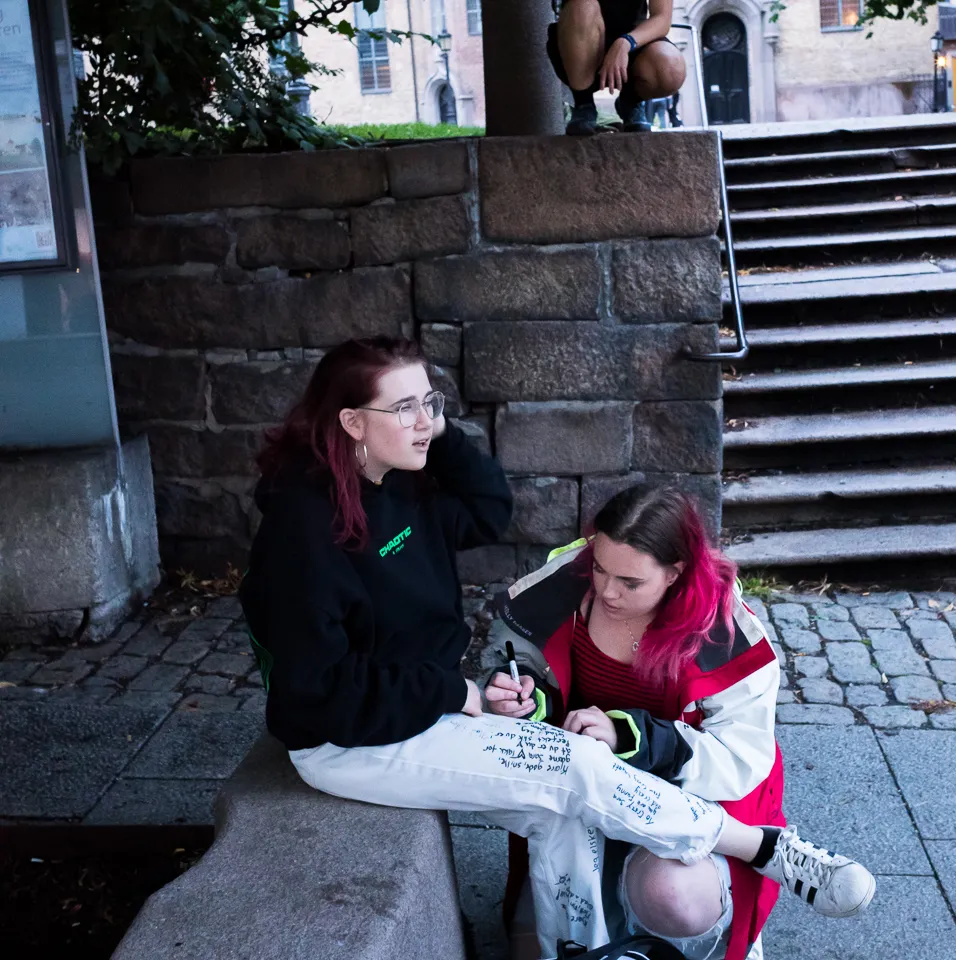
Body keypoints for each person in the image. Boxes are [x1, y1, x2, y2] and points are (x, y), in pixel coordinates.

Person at [239, 337, 875, 960]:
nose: (425, 422)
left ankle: (580, 949)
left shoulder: (400, 482)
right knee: (576, 768)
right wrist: (458, 693)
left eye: (429, 401)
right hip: (351, 740)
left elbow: (489, 506)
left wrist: (430, 425)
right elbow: (316, 695)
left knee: (562, 818)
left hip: (418, 704)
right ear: (352, 421)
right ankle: (762, 848)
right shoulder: (300, 535)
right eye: (403, 408)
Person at [484, 487, 875, 959]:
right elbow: (521, 653)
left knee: (674, 899)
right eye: (601, 568)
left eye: (630, 582)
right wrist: (524, 695)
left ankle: (742, 879)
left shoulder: (726, 630)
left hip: (689, 793)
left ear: (675, 573)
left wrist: (627, 736)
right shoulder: (572, 576)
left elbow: (740, 757)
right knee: (536, 935)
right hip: (578, 782)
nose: (607, 590)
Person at [548, 0, 686, 135]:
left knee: (671, 70)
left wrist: (626, 42)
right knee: (583, 6)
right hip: (579, 39)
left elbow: (662, 18)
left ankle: (631, 101)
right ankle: (584, 103)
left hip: (634, 41)